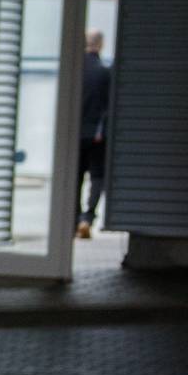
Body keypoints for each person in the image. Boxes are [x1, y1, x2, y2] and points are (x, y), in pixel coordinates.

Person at [77, 29, 112, 239]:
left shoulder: (75, 71)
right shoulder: (104, 72)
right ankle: (87, 218)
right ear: (100, 45)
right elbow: (109, 107)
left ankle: (73, 218)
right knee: (97, 176)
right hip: (98, 135)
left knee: (76, 176)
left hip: (75, 134)